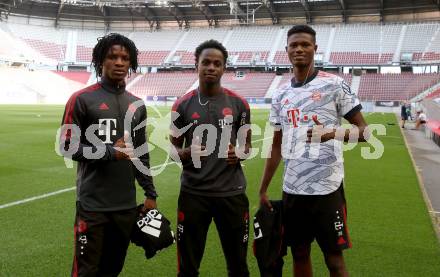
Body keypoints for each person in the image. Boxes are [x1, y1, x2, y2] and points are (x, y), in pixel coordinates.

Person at [258, 25, 369, 277]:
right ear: (286, 50)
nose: (299, 49)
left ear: (315, 49)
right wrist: (264, 187)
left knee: (334, 259)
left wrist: (331, 134)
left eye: (305, 44)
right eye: (294, 45)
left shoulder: (335, 85)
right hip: (292, 189)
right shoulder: (280, 94)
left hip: (327, 189)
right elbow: (276, 145)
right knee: (299, 253)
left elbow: (365, 131)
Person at [59, 33, 158, 276]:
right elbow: (67, 146)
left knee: (112, 269)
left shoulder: (137, 105)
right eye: (112, 56)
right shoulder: (81, 99)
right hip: (92, 206)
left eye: (125, 58)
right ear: (100, 61)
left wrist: (150, 193)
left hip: (125, 207)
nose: (119, 62)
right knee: (86, 271)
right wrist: (110, 153)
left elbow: (141, 154)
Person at [170, 39, 252, 277]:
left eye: (217, 63)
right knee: (187, 267)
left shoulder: (239, 104)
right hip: (194, 195)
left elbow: (247, 147)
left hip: (232, 194)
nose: (211, 67)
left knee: (238, 265)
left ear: (224, 68)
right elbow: (173, 150)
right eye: (206, 62)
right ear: (196, 64)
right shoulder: (182, 105)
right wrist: (185, 153)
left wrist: (239, 153)